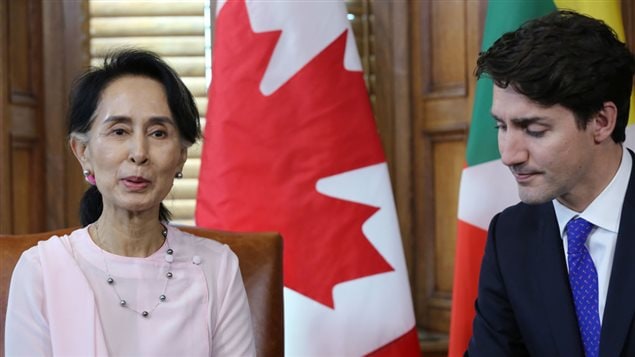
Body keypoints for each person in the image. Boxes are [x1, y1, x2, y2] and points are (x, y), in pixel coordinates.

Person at [5, 49, 256, 356]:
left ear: (181, 155)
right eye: (119, 131)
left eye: (158, 133)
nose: (139, 152)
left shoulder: (217, 267)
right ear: (82, 151)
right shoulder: (41, 269)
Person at [467, 10, 635, 356]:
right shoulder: (509, 236)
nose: (509, 155)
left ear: (601, 122)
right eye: (502, 126)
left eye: (534, 130)